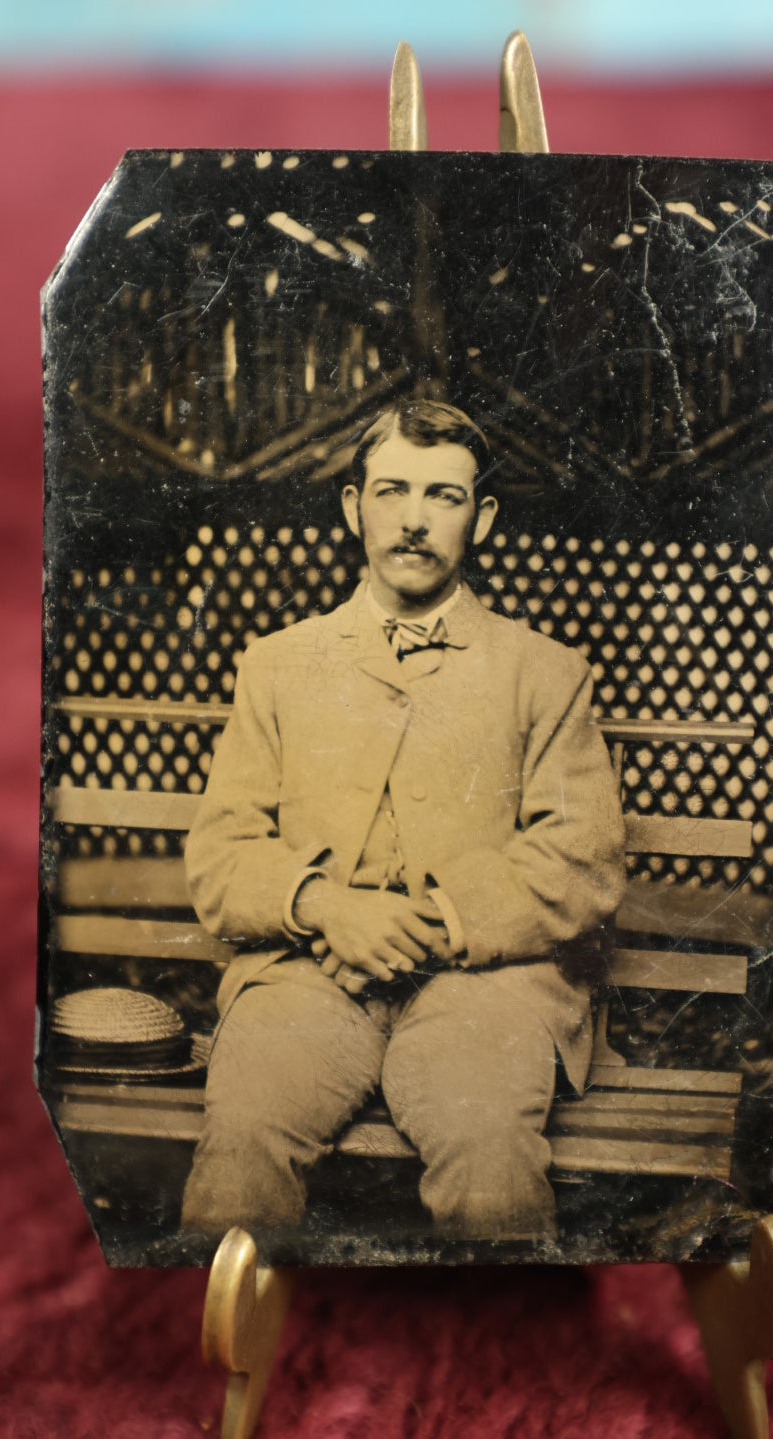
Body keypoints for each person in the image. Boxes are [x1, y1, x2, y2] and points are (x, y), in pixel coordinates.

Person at [181, 399, 625, 1243]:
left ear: (481, 517)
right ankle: (222, 1367)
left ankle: (510, 1368)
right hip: (309, 979)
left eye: (444, 497)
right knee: (240, 1146)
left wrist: (436, 920)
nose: (414, 521)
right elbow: (221, 856)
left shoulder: (545, 672)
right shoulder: (277, 664)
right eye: (392, 491)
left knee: (487, 1149)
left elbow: (582, 859)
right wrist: (325, 905)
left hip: (488, 987)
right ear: (354, 508)